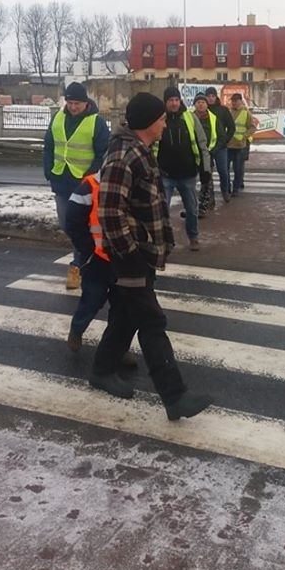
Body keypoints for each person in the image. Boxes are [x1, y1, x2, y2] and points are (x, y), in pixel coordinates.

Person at [90, 91, 213, 420]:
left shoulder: (139, 149)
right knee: (151, 320)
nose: (164, 123)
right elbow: (110, 211)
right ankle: (175, 397)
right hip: (131, 256)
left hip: (142, 252)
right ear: (147, 122)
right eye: (160, 119)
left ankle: (101, 370)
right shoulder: (123, 155)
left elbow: (149, 205)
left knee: (126, 316)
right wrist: (130, 253)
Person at [63, 173, 137, 366]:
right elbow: (71, 221)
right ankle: (77, 329)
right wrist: (87, 249)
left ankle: (117, 350)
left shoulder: (135, 183)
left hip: (124, 259)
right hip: (96, 260)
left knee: (122, 309)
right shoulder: (90, 185)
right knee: (92, 300)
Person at [43, 82, 109, 289]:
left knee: (82, 227)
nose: (72, 107)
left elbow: (103, 154)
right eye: (69, 102)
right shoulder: (58, 118)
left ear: (86, 103)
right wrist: (48, 171)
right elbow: (48, 146)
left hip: (84, 186)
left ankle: (77, 266)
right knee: (67, 225)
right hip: (61, 181)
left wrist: (90, 178)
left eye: (77, 103)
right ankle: (89, 257)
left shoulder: (96, 122)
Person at [157, 86, 211, 251]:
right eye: (170, 100)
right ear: (165, 102)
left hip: (188, 174)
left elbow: (202, 144)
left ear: (180, 100)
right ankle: (165, 241)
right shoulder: (160, 119)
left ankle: (193, 237)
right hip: (165, 174)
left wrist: (205, 169)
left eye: (176, 100)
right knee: (162, 211)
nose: (174, 103)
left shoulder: (190, 117)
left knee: (192, 209)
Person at [193, 92, 227, 216]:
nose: (200, 105)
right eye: (198, 102)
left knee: (207, 180)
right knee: (191, 181)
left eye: (203, 102)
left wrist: (213, 151)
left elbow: (221, 137)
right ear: (194, 105)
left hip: (208, 155)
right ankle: (194, 204)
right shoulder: (190, 118)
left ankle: (204, 204)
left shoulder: (213, 118)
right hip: (192, 155)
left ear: (207, 105)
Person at [205, 87, 235, 202]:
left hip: (221, 147)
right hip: (207, 147)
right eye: (208, 96)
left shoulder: (223, 110)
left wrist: (225, 140)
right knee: (208, 173)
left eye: (213, 96)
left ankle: (225, 191)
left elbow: (231, 127)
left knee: (223, 171)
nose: (210, 98)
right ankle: (210, 196)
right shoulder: (203, 110)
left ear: (216, 97)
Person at [227, 93, 257, 196]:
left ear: (240, 101)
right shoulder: (229, 112)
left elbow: (252, 127)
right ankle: (228, 187)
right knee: (225, 168)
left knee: (238, 168)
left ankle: (236, 188)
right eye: (233, 101)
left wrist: (244, 136)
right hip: (229, 145)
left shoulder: (246, 112)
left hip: (240, 145)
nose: (234, 103)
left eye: (236, 101)